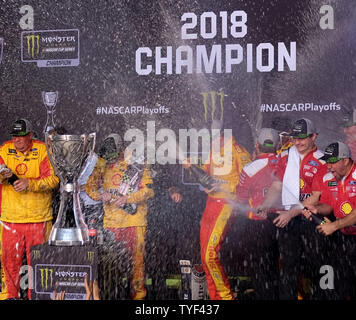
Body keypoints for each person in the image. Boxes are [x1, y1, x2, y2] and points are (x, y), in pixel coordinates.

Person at [262, 118, 329, 299]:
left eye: (302, 138)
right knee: (288, 266)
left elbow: (316, 197)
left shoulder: (323, 160)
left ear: (314, 136)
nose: (298, 142)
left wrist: (292, 212)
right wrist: (265, 205)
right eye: (295, 138)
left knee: (318, 266)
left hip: (312, 220)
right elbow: (277, 184)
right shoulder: (284, 156)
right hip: (288, 221)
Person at [184, 120, 251, 300]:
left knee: (210, 254)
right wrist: (191, 168)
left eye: (215, 137)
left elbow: (248, 184)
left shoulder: (239, 152)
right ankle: (215, 298)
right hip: (211, 204)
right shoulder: (212, 151)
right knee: (205, 257)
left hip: (227, 205)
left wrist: (221, 187)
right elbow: (204, 176)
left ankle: (226, 297)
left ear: (224, 135)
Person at [85, 133, 154, 300]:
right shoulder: (102, 163)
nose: (111, 159)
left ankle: (139, 298)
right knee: (111, 266)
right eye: (109, 156)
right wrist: (100, 196)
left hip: (134, 221)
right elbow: (89, 188)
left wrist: (127, 199)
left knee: (137, 265)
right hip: (111, 224)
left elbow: (149, 191)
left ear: (121, 149)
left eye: (114, 155)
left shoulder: (137, 162)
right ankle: (114, 296)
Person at [0, 118, 59, 300]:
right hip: (10, 220)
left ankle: (40, 297)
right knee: (9, 265)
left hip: (38, 219)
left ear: (31, 136)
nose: (17, 140)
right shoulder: (4, 149)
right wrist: (3, 176)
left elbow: (54, 180)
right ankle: (10, 297)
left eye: (21, 136)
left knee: (41, 266)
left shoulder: (42, 150)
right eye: (15, 136)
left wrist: (30, 184)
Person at [303, 141, 356, 299]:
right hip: (345, 238)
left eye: (332, 162)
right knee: (340, 283)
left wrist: (334, 225)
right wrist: (317, 209)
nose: (328, 166)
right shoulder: (328, 178)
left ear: (345, 160)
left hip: (345, 231)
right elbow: (329, 205)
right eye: (327, 162)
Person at [235, 128, 280, 299]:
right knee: (282, 266)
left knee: (261, 268)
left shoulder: (251, 168)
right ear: (278, 145)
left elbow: (241, 199)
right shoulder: (287, 162)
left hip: (259, 224)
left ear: (257, 145)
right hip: (285, 221)